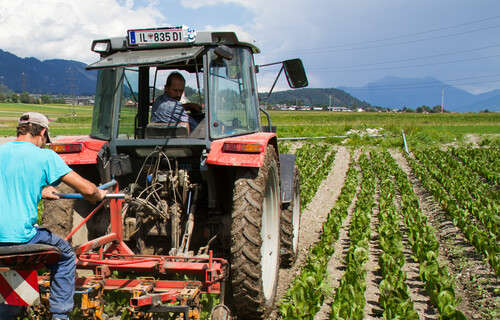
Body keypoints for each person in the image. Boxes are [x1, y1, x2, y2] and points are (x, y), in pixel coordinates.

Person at [0, 112, 107, 320]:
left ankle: (7, 313)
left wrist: (39, 191)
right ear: (42, 132)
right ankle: (60, 316)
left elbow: (10, 186)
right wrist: (98, 193)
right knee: (65, 254)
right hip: (21, 238)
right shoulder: (45, 156)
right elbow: (87, 189)